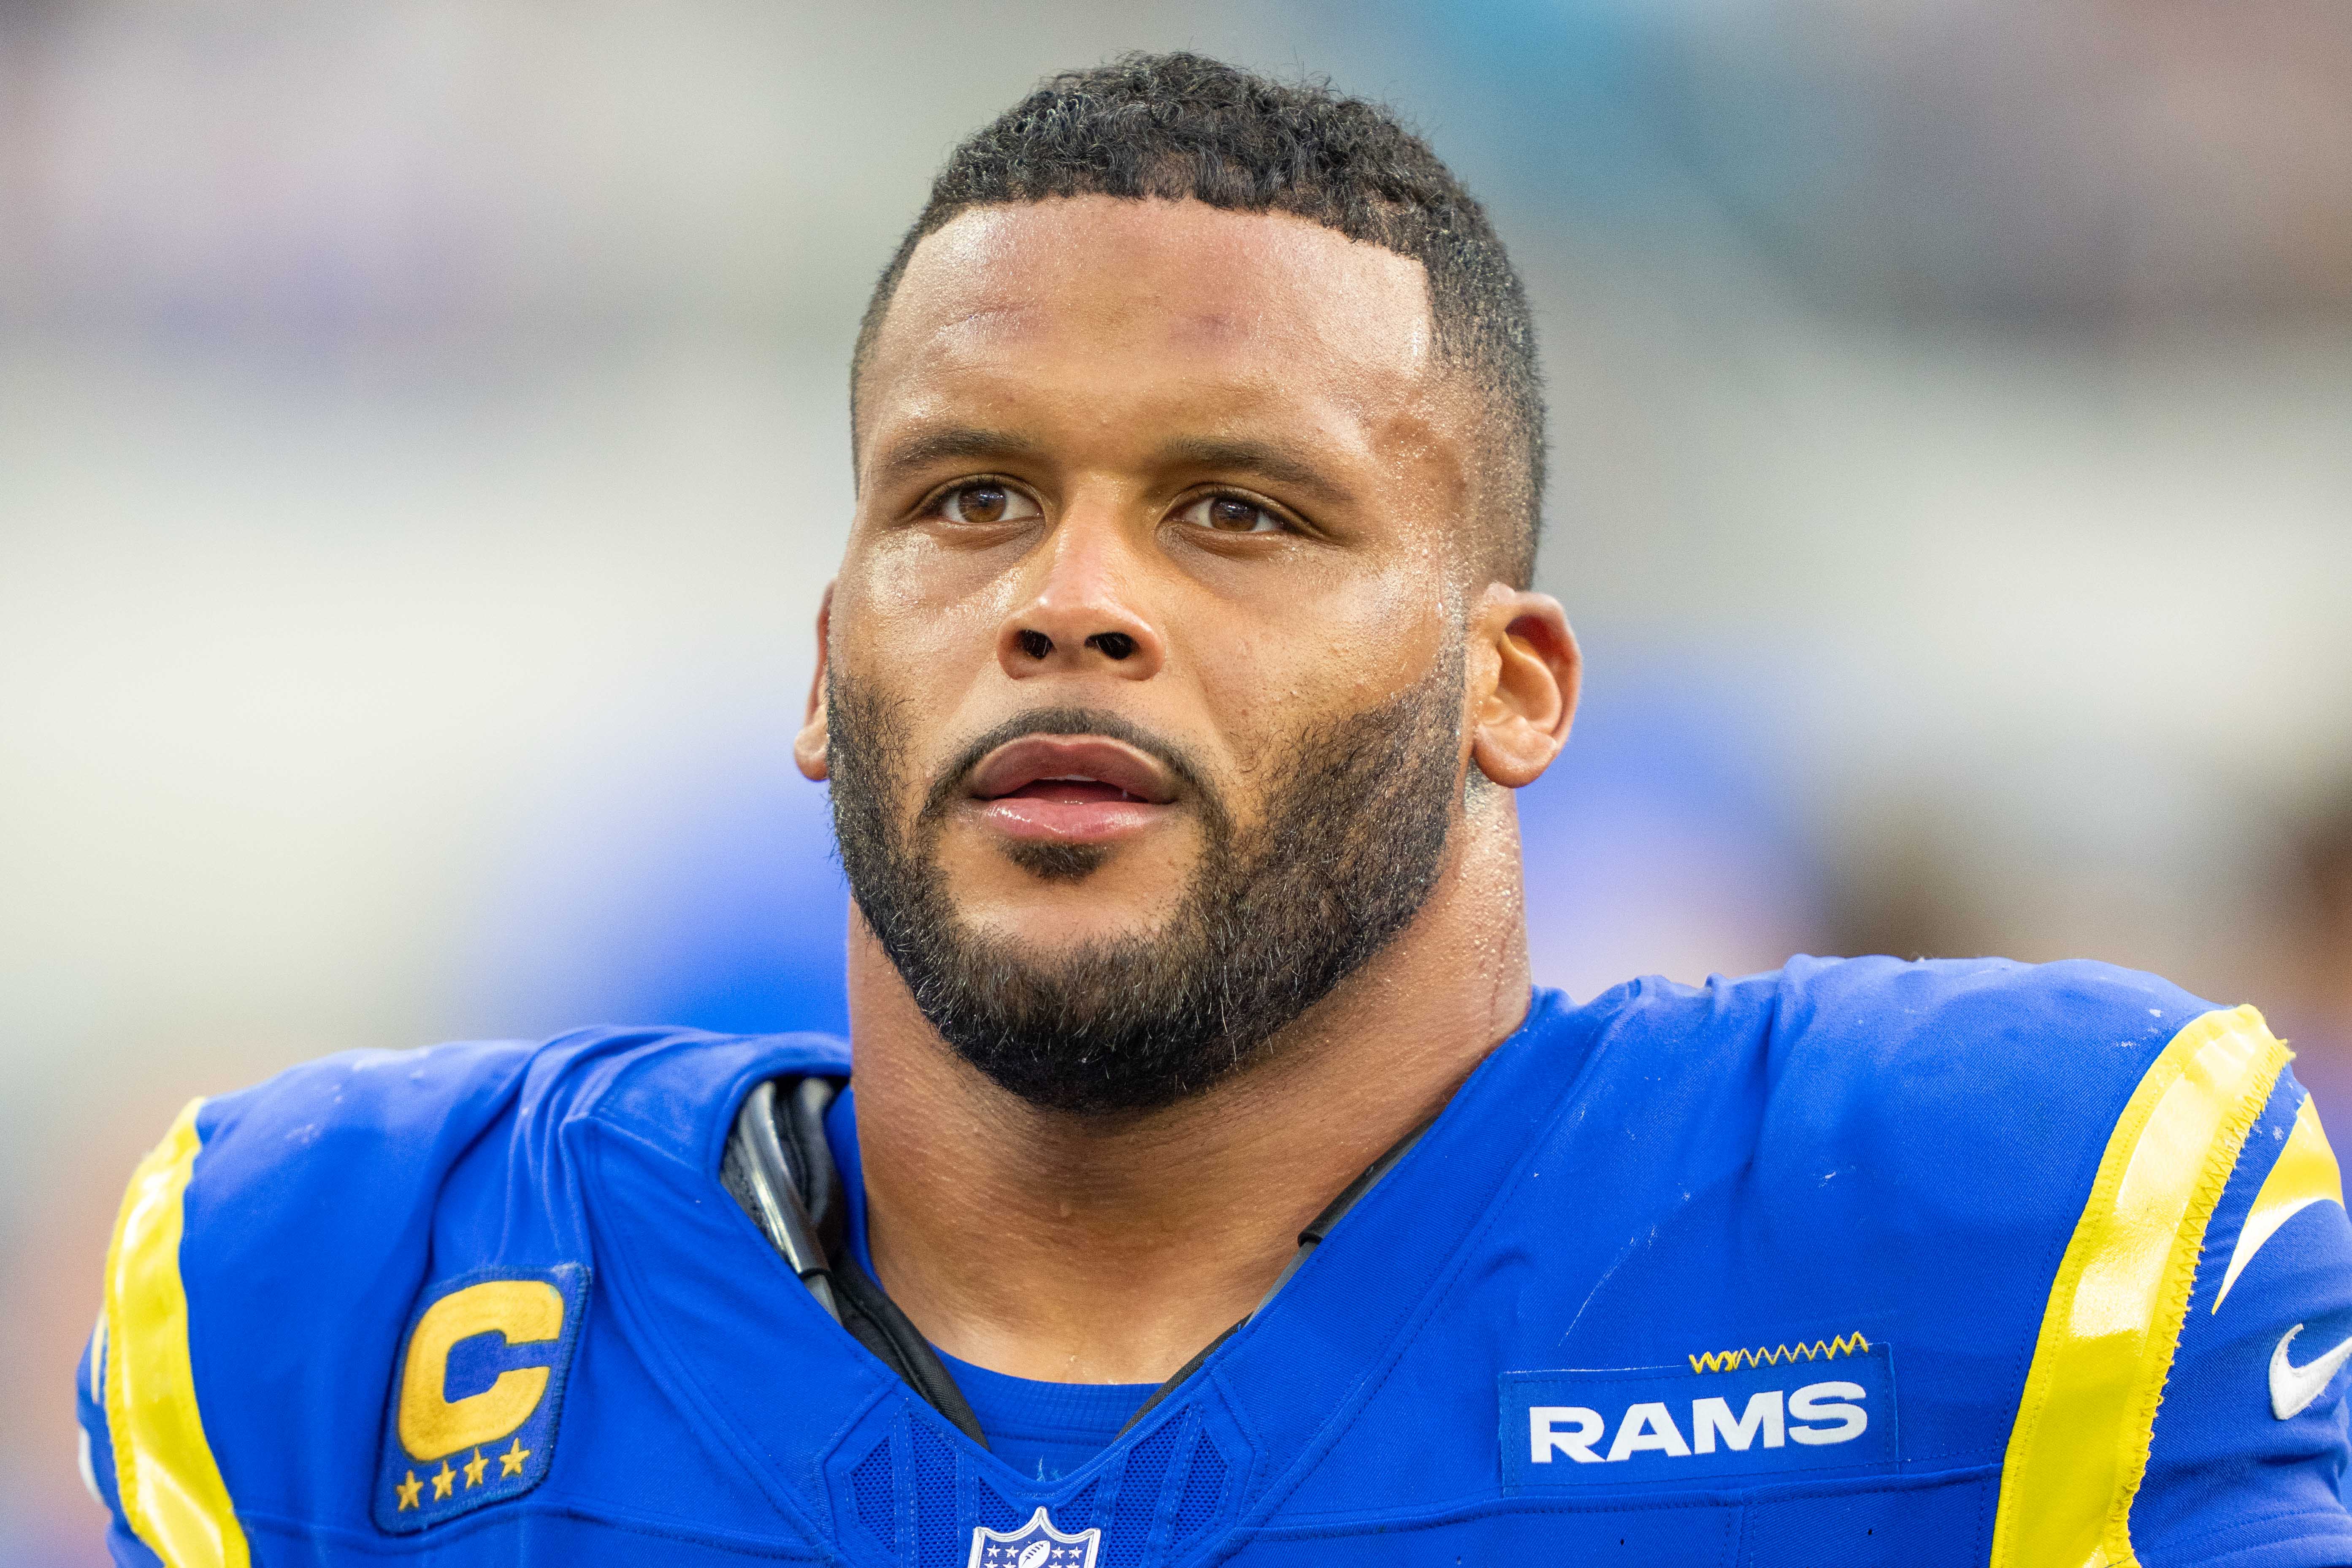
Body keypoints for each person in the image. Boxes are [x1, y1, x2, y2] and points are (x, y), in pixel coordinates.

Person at [78, 53, 2352, 1568]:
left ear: (1512, 683)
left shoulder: (1992, 1221)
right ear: (817, 661)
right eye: (967, 500)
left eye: (1237, 512)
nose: (1071, 602)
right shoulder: (340, 1293)